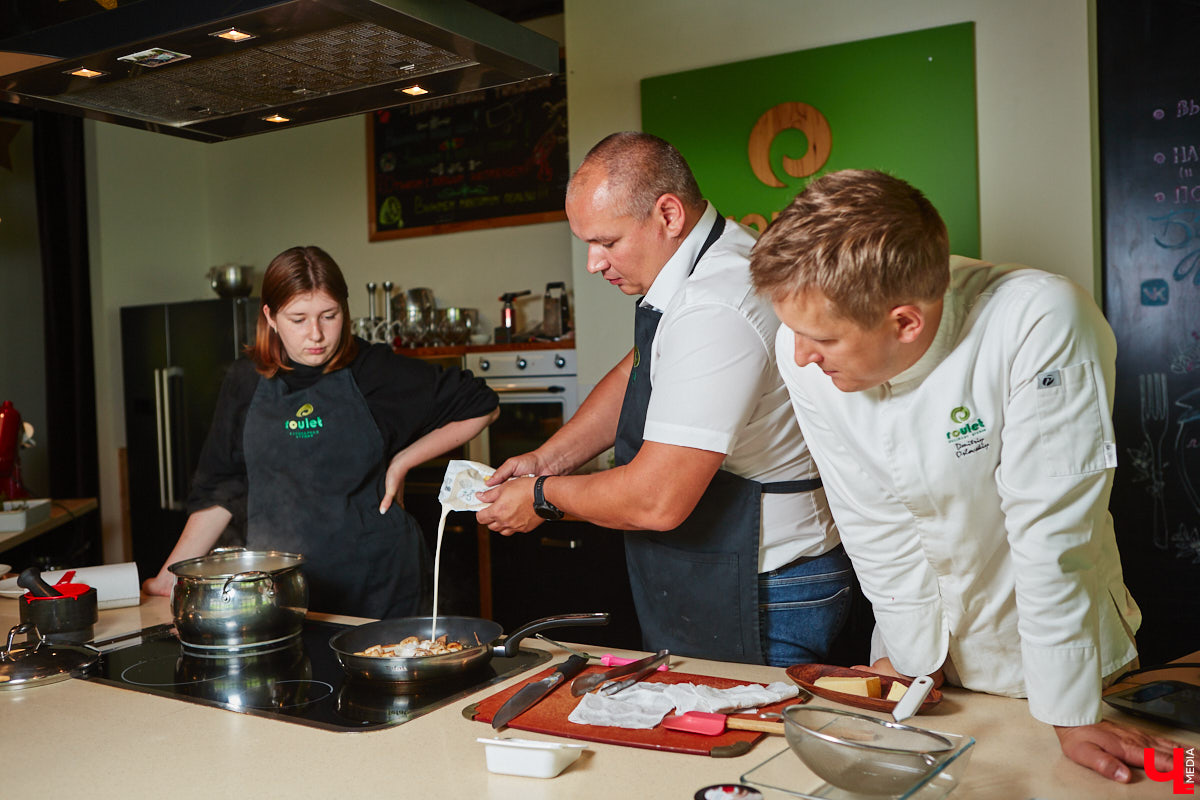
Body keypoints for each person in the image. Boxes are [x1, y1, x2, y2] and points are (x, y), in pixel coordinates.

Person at [748, 168, 1181, 781]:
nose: (798, 356)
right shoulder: (806, 355)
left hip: (1056, 651)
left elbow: (1053, 532)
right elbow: (869, 516)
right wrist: (907, 653)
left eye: (821, 339)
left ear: (905, 323)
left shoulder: (1041, 320)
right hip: (919, 666)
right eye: (792, 332)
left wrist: (1070, 708)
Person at [476, 132, 853, 666]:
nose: (593, 263)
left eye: (607, 241)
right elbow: (642, 365)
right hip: (731, 566)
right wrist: (548, 459)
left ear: (669, 214)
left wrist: (543, 495)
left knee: (747, 744)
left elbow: (658, 498)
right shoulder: (709, 255)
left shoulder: (715, 305)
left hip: (765, 586)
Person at [142, 246, 498, 619]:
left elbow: (483, 404)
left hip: (378, 587)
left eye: (329, 316)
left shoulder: (373, 371)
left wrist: (402, 461)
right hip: (276, 589)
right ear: (271, 317)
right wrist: (171, 576)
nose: (316, 334)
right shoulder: (244, 380)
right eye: (298, 319)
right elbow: (221, 489)